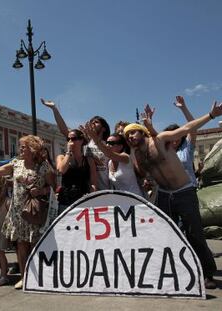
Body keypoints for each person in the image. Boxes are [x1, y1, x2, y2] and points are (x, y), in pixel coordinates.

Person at [123, 100, 222, 289]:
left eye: (133, 132)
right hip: (164, 195)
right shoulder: (137, 155)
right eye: (127, 135)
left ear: (142, 132)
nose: (130, 137)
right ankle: (178, 270)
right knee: (167, 235)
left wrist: (211, 115)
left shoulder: (160, 140)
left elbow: (186, 128)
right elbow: (144, 174)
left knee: (195, 234)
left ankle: (207, 273)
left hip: (184, 192)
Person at [0, 135, 55, 290]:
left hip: (34, 212)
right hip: (17, 212)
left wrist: (41, 190)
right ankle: (24, 277)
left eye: (23, 146)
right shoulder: (15, 164)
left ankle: (40, 277)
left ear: (33, 149)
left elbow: (54, 188)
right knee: (20, 246)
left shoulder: (44, 167)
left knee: (35, 244)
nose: (20, 149)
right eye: (20, 146)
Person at [41, 99, 111, 190]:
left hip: (109, 186)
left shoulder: (109, 144)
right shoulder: (86, 145)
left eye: (96, 122)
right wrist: (54, 109)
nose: (93, 123)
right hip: (93, 189)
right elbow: (64, 130)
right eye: (91, 122)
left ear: (104, 128)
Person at [83, 124, 143, 197]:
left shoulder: (125, 157)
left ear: (120, 146)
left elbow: (109, 154)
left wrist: (94, 137)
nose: (107, 145)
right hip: (120, 202)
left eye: (111, 143)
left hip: (136, 200)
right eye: (107, 143)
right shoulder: (109, 162)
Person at [56, 129, 97, 215]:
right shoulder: (61, 157)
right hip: (66, 201)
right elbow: (61, 170)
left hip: (83, 200)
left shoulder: (89, 160)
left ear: (81, 140)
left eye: (74, 139)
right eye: (68, 139)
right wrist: (68, 152)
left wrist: (92, 189)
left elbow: (93, 181)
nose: (70, 141)